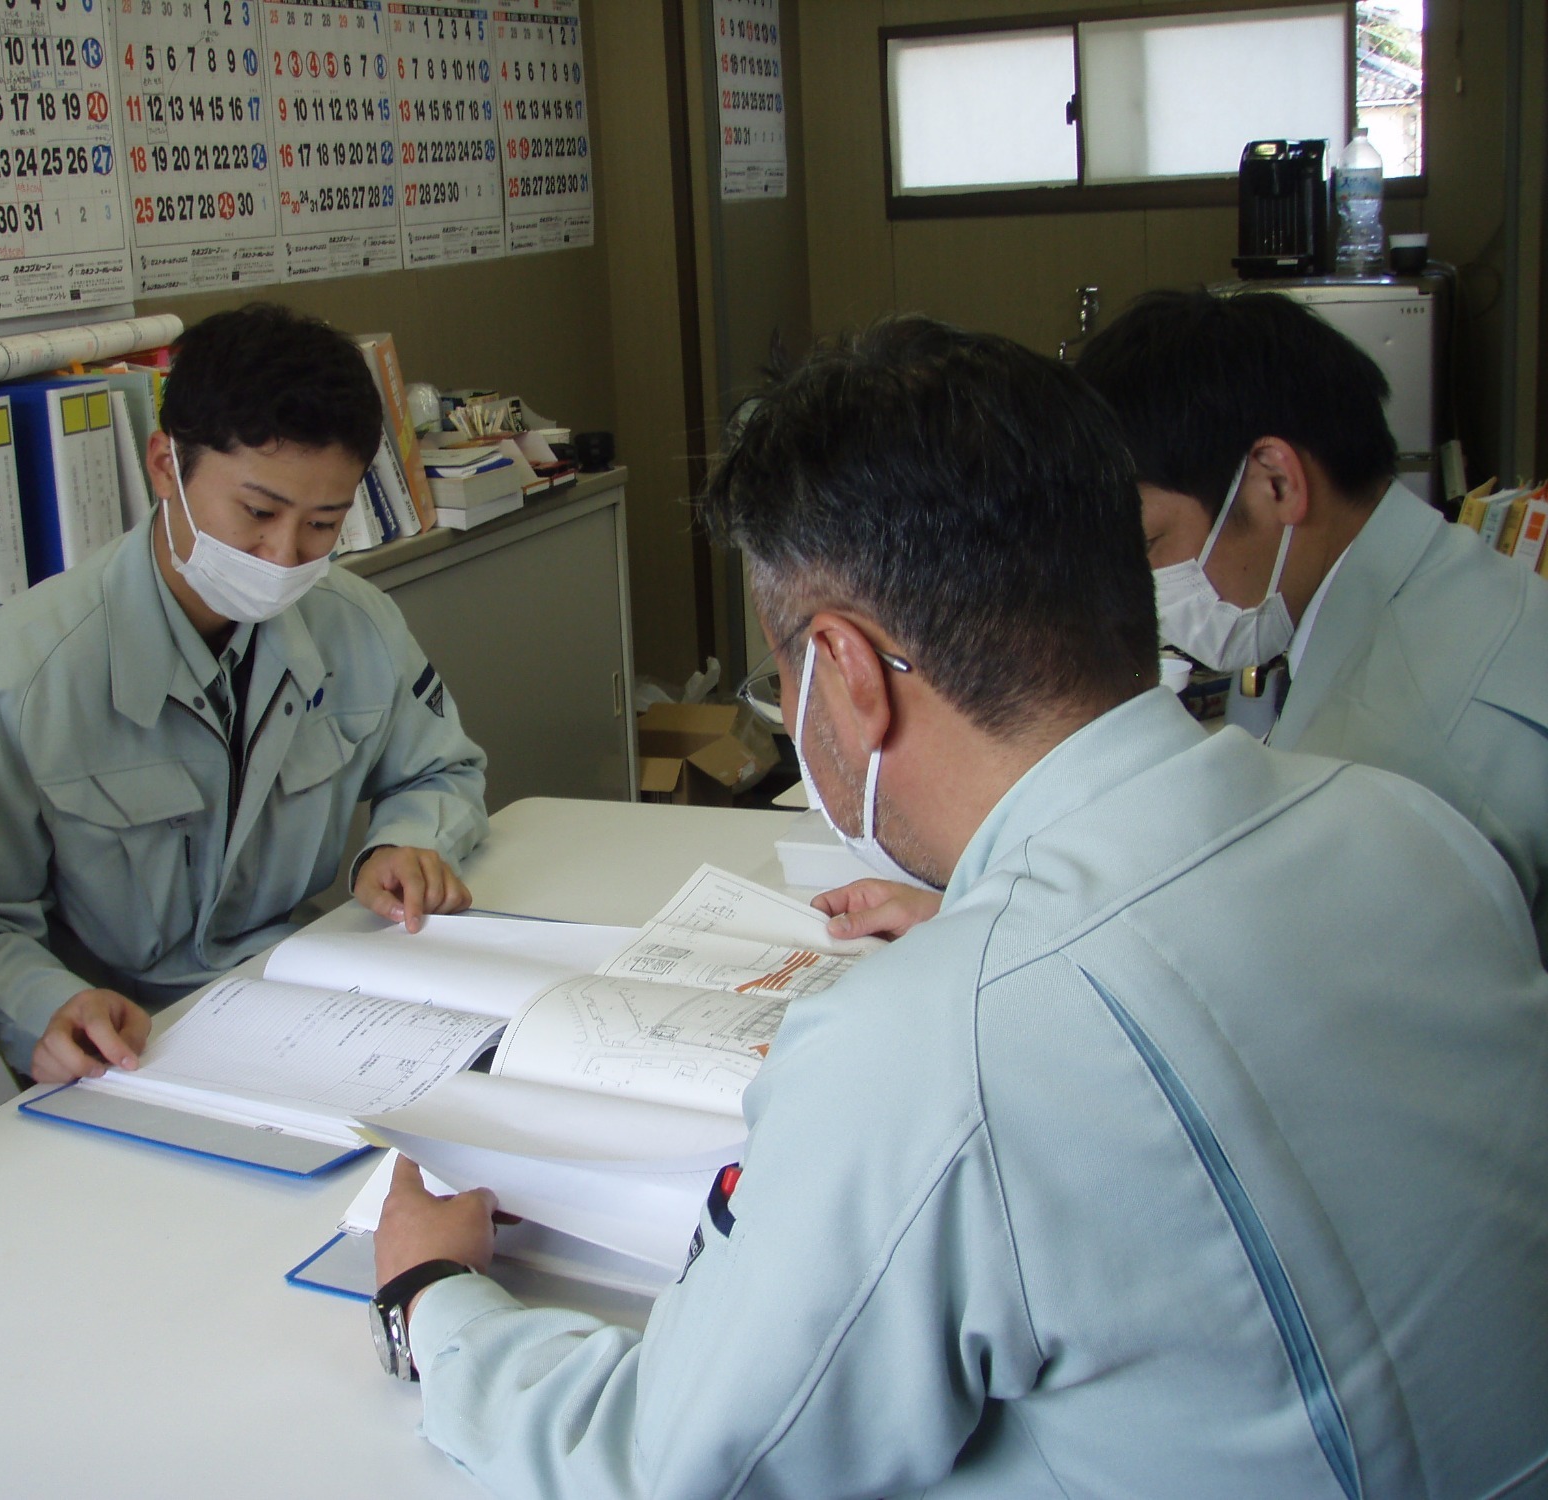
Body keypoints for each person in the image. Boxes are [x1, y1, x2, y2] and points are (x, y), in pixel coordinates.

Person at [371, 319, 1548, 1498]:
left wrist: (434, 1305)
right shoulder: (1409, 825)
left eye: (781, 671)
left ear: (847, 669)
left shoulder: (935, 1047)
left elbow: (677, 1467)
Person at [0, 305, 489, 1084]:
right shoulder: (22, 674)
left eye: (323, 523)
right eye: (257, 511)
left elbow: (441, 769)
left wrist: (406, 842)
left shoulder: (357, 625)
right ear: (163, 466)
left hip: (309, 1007)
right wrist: (47, 1005)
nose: (283, 556)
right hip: (132, 1048)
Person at [1076, 287, 1548, 960]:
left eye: (1151, 544)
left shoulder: (1391, 750)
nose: (1146, 585)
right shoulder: (1448, 583)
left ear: (1275, 482)